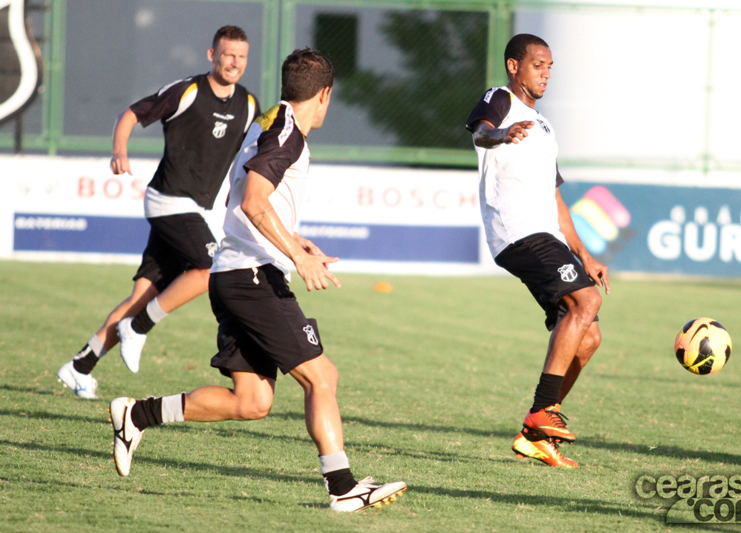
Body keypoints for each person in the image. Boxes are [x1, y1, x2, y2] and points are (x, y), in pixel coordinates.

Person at [107, 48, 407, 512]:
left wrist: (296, 242)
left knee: (251, 401)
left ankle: (138, 414)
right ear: (324, 95)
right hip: (252, 277)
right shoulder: (288, 134)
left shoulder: (268, 121)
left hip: (236, 273)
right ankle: (343, 487)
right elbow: (251, 201)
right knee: (322, 377)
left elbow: (249, 199)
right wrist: (293, 255)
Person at [58, 26, 260, 398]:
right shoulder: (188, 91)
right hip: (168, 200)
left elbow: (252, 157)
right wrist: (120, 150)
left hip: (195, 209)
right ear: (211, 54)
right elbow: (132, 114)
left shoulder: (248, 105)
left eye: (241, 56)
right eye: (228, 54)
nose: (234, 62)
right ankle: (139, 328)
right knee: (208, 267)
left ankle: (78, 367)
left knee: (140, 298)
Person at [465, 34, 609, 469]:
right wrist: (503, 133)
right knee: (586, 301)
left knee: (589, 336)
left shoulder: (544, 127)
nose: (545, 73)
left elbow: (555, 197)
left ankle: (533, 436)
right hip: (517, 231)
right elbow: (482, 133)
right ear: (514, 66)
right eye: (537, 65)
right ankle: (544, 411)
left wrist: (584, 253)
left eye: (549, 67)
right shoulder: (500, 99)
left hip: (545, 231)